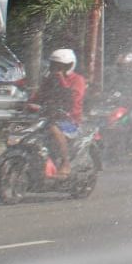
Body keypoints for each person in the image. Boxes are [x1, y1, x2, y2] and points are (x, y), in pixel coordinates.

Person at [31, 48, 87, 176]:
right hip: (48, 115)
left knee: (53, 128)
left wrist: (61, 79)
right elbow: (39, 95)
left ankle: (65, 162)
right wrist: (27, 104)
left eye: (60, 66)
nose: (56, 69)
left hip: (70, 120)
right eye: (54, 65)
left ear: (69, 66)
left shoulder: (78, 80)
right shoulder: (48, 79)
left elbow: (72, 99)